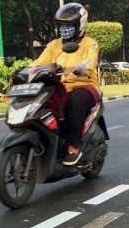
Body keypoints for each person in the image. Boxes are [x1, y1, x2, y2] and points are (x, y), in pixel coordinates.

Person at [31, 2, 99, 166]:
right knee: (39, 105)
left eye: (69, 25)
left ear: (79, 25)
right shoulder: (54, 45)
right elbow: (39, 63)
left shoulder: (90, 43)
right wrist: (25, 72)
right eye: (61, 25)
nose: (64, 29)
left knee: (75, 101)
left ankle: (73, 146)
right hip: (59, 89)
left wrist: (78, 68)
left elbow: (91, 61)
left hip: (85, 86)